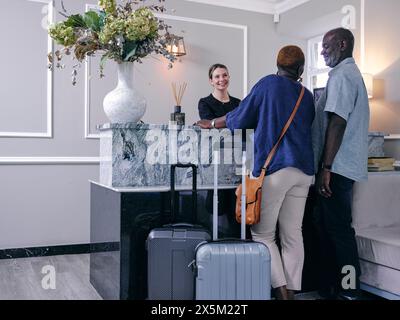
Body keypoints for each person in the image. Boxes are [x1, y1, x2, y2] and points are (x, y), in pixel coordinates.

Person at [197, 46, 315, 300]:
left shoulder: (268, 85)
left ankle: (283, 295)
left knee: (263, 235)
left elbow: (240, 117)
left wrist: (212, 123)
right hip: (304, 171)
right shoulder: (307, 95)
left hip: (275, 170)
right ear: (300, 69)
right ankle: (293, 292)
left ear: (278, 64)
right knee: (294, 234)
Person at [312, 28, 370, 300]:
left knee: (339, 231)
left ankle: (349, 291)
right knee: (328, 229)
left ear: (343, 44)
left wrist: (325, 168)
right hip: (338, 166)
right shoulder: (345, 74)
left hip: (336, 168)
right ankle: (334, 288)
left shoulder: (344, 75)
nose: (322, 51)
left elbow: (338, 122)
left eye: (326, 46)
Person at [198, 64, 241, 237]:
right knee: (216, 207)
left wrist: (218, 123)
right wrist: (228, 123)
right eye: (217, 76)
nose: (221, 79)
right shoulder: (205, 102)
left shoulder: (239, 103)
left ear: (229, 77)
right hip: (216, 161)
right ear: (211, 81)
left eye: (224, 75)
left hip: (237, 160)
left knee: (235, 209)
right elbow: (209, 126)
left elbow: (243, 125)